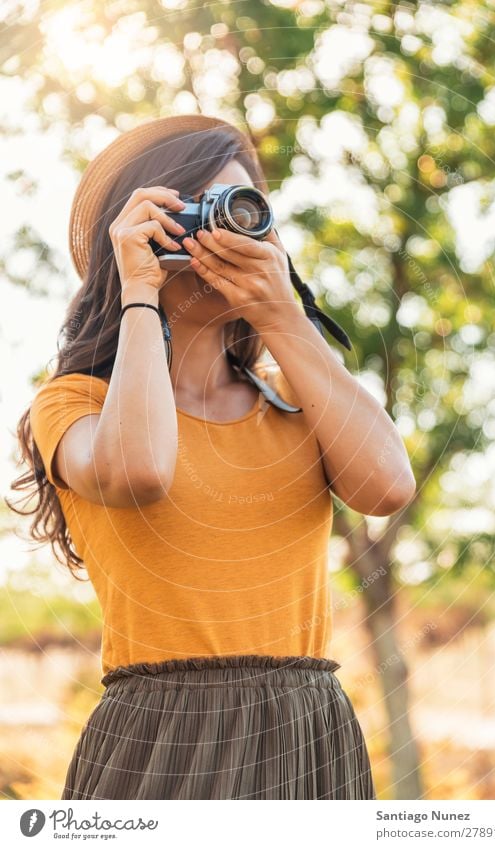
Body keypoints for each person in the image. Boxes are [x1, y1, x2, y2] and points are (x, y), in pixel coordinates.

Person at [7, 113, 416, 800]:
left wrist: (284, 314)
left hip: (308, 736)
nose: (220, 241)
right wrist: (140, 289)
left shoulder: (294, 405)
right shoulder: (74, 404)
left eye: (240, 216)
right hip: (161, 737)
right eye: (192, 215)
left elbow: (387, 486)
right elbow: (138, 468)